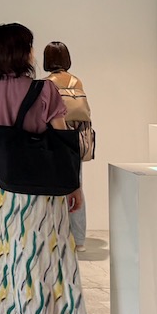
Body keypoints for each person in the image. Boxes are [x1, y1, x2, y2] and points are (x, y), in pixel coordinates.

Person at [0, 23, 87, 314]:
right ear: (23, 53)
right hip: (43, 190)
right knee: (42, 259)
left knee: (4, 249)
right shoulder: (45, 90)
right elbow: (60, 145)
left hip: (2, 188)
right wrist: (74, 187)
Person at [43, 40, 91, 251]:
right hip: (75, 139)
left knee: (52, 190)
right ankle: (79, 240)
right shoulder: (76, 82)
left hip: (53, 140)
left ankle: (54, 235)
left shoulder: (46, 84)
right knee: (76, 187)